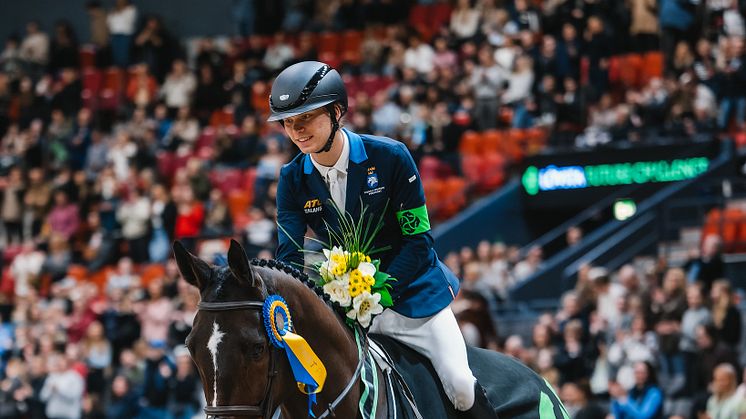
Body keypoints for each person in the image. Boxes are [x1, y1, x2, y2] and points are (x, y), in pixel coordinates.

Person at [272, 61, 497, 417]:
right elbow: (289, 257)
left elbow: (419, 242)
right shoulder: (291, 178)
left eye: (306, 118)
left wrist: (378, 289)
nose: (296, 131)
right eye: (287, 122)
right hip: (347, 309)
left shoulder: (390, 157)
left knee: (460, 386)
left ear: (336, 112)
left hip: (413, 298)